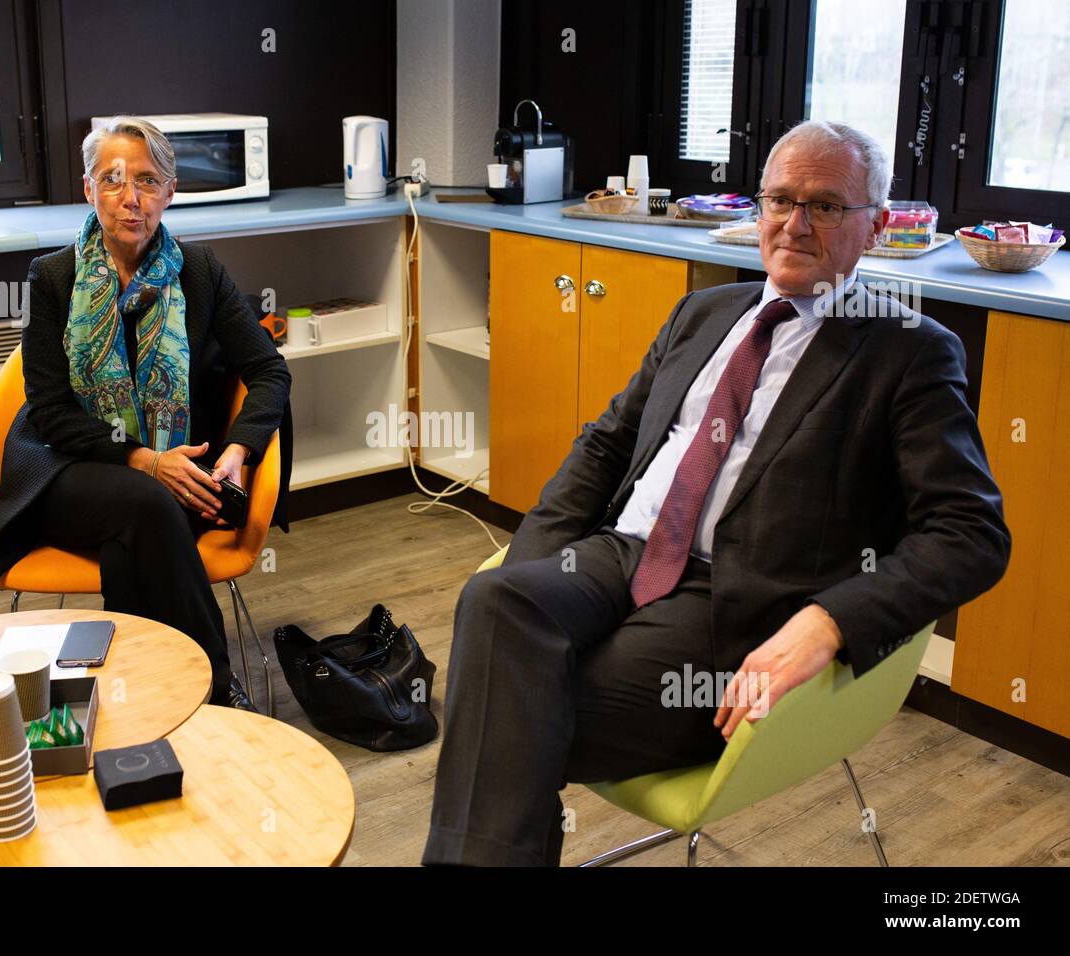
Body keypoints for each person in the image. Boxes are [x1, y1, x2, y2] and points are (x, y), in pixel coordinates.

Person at [422, 120, 1011, 866]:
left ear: (877, 225)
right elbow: (604, 446)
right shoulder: (704, 314)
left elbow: (971, 535)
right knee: (495, 605)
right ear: (756, 208)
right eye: (780, 200)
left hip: (730, 608)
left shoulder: (909, 353)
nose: (795, 225)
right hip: (622, 552)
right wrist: (534, 572)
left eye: (826, 206)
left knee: (509, 711)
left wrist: (827, 623)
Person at [0, 116, 291, 711]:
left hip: (180, 475)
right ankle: (218, 696)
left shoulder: (200, 272)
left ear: (170, 193)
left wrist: (237, 451)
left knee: (134, 543)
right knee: (148, 502)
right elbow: (49, 412)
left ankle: (143, 699)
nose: (131, 199)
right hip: (69, 469)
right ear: (88, 190)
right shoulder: (52, 277)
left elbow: (269, 370)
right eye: (113, 180)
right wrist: (147, 460)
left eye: (148, 181)